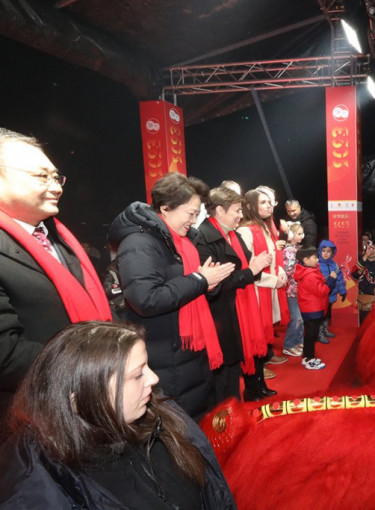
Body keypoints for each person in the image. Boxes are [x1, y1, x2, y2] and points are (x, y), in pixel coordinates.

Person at [0, 321, 235, 508]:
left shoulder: (164, 414)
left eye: (147, 366)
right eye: (137, 375)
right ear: (81, 398)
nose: (154, 379)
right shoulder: (38, 486)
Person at [0, 128, 111, 431]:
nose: (56, 187)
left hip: (92, 400)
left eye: (56, 177)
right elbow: (5, 354)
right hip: (36, 418)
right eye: (41, 177)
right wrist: (93, 365)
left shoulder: (59, 237)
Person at [107, 173, 235, 420]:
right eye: (191, 213)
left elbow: (189, 287)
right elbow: (145, 299)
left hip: (188, 350)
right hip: (165, 353)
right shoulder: (139, 243)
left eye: (197, 214)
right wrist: (200, 280)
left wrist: (209, 283)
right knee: (178, 424)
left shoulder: (181, 241)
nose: (194, 221)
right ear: (165, 208)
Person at [194, 186, 274, 403]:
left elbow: (245, 267)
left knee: (233, 373)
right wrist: (251, 271)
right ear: (220, 210)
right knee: (224, 378)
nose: (241, 215)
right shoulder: (204, 239)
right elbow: (216, 285)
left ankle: (236, 410)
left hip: (237, 310)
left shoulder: (232, 234)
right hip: (221, 316)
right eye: (237, 211)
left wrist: (256, 268)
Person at [237, 186, 289, 378]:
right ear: (250, 206)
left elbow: (274, 256)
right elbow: (248, 267)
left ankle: (263, 360)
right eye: (263, 202)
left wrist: (280, 272)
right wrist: (274, 280)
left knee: (265, 327)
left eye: (270, 202)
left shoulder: (263, 227)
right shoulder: (245, 231)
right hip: (256, 290)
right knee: (255, 330)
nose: (269, 206)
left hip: (268, 286)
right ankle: (256, 369)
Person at [293, 246, 333, 370]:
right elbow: (321, 290)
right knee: (311, 335)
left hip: (311, 307)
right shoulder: (310, 275)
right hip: (312, 309)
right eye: (315, 257)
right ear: (306, 260)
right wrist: (331, 281)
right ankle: (310, 359)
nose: (317, 260)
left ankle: (307, 357)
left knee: (310, 334)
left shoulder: (309, 272)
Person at [281, 223, 305, 357]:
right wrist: (303, 270)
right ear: (291, 235)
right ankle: (289, 345)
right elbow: (288, 271)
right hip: (291, 289)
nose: (302, 236)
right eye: (299, 234)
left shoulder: (297, 249)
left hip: (299, 288)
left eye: (302, 233)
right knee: (296, 318)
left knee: (301, 318)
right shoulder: (288, 251)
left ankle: (299, 341)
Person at [318, 239, 347, 342]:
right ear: (320, 251)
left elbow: (340, 279)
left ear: (332, 253)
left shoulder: (334, 265)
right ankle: (319, 333)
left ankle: (325, 330)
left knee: (327, 314)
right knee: (320, 315)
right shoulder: (317, 264)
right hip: (321, 295)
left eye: (328, 251)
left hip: (331, 295)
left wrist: (342, 291)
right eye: (323, 251)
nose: (326, 253)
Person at [353, 241, 375, 323]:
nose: (371, 250)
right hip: (365, 300)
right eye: (369, 248)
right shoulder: (362, 262)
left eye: (374, 248)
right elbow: (354, 274)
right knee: (365, 323)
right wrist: (365, 256)